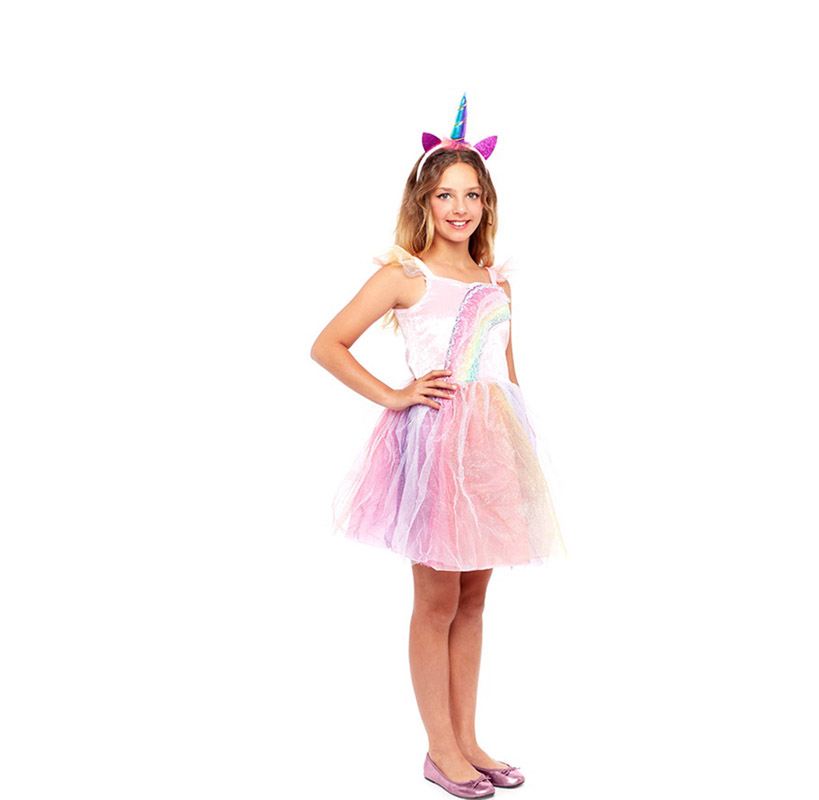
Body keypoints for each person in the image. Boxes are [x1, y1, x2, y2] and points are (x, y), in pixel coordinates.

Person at [310, 94, 567, 798]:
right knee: (436, 599)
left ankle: (468, 738)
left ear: (487, 203)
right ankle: (440, 749)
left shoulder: (496, 280)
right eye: (447, 194)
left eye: (472, 195)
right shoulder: (406, 275)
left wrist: (521, 457)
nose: (460, 208)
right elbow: (327, 345)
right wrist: (395, 395)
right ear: (424, 200)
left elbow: (507, 373)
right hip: (437, 450)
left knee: (475, 598)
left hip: (492, 452)